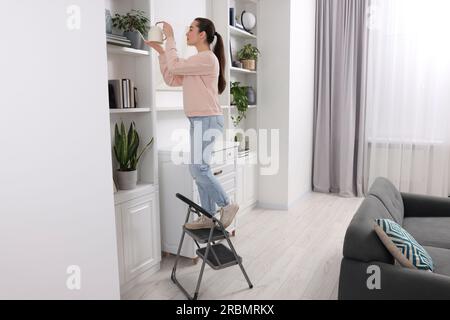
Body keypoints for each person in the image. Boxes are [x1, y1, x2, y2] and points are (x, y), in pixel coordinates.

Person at [145, 18, 239, 230]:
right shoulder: (197, 62)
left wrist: (169, 38)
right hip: (200, 120)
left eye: (190, 29)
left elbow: (176, 65)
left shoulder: (207, 58)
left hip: (207, 119)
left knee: (198, 168)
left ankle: (227, 204)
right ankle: (208, 216)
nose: (187, 33)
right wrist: (161, 53)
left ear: (202, 35)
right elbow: (172, 77)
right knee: (199, 169)